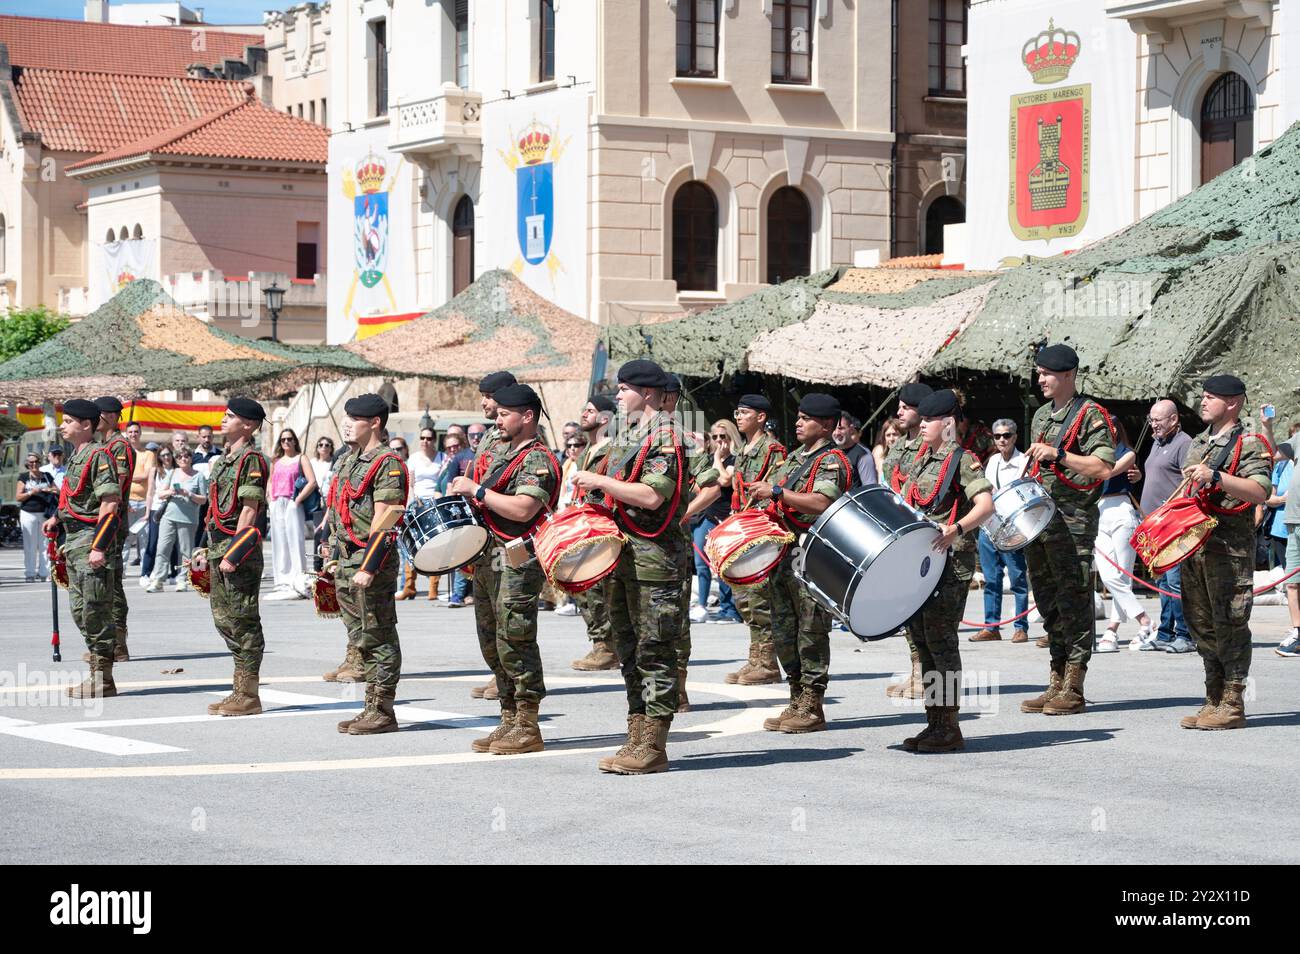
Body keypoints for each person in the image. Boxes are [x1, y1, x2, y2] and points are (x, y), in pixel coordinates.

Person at [572, 360, 688, 774]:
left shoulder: (667, 436)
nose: (617, 396)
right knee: (629, 651)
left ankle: (653, 745)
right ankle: (636, 734)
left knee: (655, 650)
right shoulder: (627, 437)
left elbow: (653, 496)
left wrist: (600, 482)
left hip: (656, 562)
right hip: (624, 558)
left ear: (651, 394)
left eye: (625, 389)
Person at [449, 384, 560, 754]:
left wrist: (477, 491)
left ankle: (527, 724)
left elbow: (523, 509)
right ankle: (508, 717)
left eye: (503, 414)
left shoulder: (536, 458)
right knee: (492, 638)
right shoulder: (504, 454)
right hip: (489, 558)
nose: (497, 420)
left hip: (517, 558)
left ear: (526, 417)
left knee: (516, 637)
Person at [744, 393, 850, 732]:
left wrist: (777, 493)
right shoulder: (793, 458)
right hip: (783, 554)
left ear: (827, 425)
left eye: (807, 418)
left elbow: (820, 502)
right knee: (784, 629)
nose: (799, 422)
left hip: (812, 556)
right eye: (799, 416)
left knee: (811, 630)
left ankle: (813, 705)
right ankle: (795, 696)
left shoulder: (831, 460)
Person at [1020, 344, 1116, 716]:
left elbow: (1103, 467)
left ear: (1068, 375)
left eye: (1047, 374)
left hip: (1073, 525)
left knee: (1075, 604)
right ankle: (1056, 680)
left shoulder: (1091, 415)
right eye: (1039, 373)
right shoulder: (1042, 415)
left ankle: (1074, 687)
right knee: (1048, 601)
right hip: (1040, 524)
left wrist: (1059, 455)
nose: (1041, 380)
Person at [898, 390, 994, 752]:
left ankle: (950, 726)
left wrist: (958, 529)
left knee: (941, 643)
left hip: (948, 566)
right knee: (923, 643)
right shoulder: (924, 459)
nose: (922, 425)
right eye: (921, 419)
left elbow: (986, 504)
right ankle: (933, 722)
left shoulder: (962, 459)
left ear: (948, 423)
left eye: (929, 420)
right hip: (920, 567)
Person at [1172, 376, 1271, 729]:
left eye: (1210, 397)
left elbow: (1259, 491)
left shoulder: (1249, 443)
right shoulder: (1199, 442)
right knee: (1201, 624)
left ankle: (1232, 702)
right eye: (1203, 396)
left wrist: (1215, 476)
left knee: (1230, 623)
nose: (1203, 402)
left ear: (1233, 403)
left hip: (1229, 551)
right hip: (1195, 550)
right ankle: (1212, 697)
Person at [323, 394, 409, 734]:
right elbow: (337, 511)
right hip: (346, 560)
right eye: (346, 417)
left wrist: (369, 567)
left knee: (379, 634)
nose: (346, 423)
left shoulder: (387, 463)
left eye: (354, 418)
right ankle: (369, 707)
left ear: (374, 423)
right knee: (360, 636)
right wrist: (331, 556)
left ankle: (382, 709)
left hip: (368, 562)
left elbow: (385, 521)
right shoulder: (348, 460)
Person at [194, 398, 270, 717]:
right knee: (224, 619)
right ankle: (239, 689)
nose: (223, 420)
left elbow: (249, 510)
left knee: (243, 620)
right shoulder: (224, 461)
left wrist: (234, 553)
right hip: (217, 547)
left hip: (237, 553)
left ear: (248, 425)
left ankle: (249, 694)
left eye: (231, 417)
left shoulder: (251, 460)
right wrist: (204, 548)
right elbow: (213, 510)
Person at [45, 399, 122, 698]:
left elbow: (110, 503)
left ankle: (103, 678)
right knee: (80, 610)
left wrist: (100, 547)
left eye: (68, 421)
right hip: (74, 540)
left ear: (86, 425)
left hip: (91, 540)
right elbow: (72, 496)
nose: (63, 426)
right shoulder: (76, 455)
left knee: (96, 610)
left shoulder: (99, 456)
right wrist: (56, 518)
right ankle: (97, 673)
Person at [663, 373, 723, 712]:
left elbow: (711, 487)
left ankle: (678, 688)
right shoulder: (635, 437)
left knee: (674, 618)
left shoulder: (689, 440)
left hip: (673, 546)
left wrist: (681, 514)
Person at [724, 393, 787, 685]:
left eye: (744, 412)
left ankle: (768, 662)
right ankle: (755, 658)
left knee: (761, 598)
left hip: (759, 531)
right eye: (737, 412)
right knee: (746, 599)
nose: (738, 417)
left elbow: (775, 489)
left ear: (760, 417)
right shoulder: (744, 450)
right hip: (742, 529)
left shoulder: (772, 449)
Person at [462, 371, 517, 698]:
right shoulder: (488, 435)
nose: (483, 402)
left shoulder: (513, 436)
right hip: (484, 536)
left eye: (489, 396)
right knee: (487, 617)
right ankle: (499, 673)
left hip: (505, 538)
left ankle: (509, 680)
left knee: (505, 614)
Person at [881, 382, 934, 699]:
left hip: (929, 538)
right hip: (901, 536)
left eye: (906, 406)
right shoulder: (899, 445)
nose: (899, 411)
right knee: (909, 612)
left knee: (933, 620)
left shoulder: (935, 447)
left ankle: (930, 681)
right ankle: (917, 671)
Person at [1135, 399, 1195, 652]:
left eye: (1158, 419)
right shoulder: (1157, 444)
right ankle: (1165, 633)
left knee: (1175, 581)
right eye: (1151, 419)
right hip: (1152, 525)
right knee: (1161, 582)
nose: (1154, 424)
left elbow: (1189, 484)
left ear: (1173, 420)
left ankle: (1186, 634)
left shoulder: (1184, 444)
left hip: (1172, 525)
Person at [1094, 419, 1155, 652]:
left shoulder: (1127, 453)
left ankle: (1112, 629)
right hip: (1099, 511)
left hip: (1121, 508)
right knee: (1108, 575)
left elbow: (1106, 472)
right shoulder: (1093, 453)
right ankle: (1144, 619)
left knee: (1123, 575)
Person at [570, 394, 621, 672]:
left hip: (604, 527)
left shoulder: (613, 450)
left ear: (605, 419)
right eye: (584, 408)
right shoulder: (587, 452)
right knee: (586, 589)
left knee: (604, 590)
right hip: (585, 525)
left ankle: (607, 647)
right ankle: (600, 644)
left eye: (590, 410)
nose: (584, 414)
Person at [971, 419, 1030, 643]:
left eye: (1006, 435)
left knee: (1017, 579)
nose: (1002, 440)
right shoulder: (992, 460)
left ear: (1015, 437)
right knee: (991, 578)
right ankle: (991, 626)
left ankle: (1020, 626)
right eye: (997, 436)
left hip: (1014, 526)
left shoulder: (1023, 460)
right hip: (990, 525)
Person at [688, 419, 743, 625]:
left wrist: (718, 458)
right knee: (701, 564)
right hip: (706, 516)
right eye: (715, 437)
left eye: (723, 436)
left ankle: (729, 609)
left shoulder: (734, 460)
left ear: (731, 438)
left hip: (725, 517)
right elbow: (697, 486)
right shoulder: (709, 459)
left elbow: (724, 480)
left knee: (723, 565)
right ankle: (701, 606)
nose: (719, 440)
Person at [94, 397, 135, 662]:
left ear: (109, 416)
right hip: (104, 520)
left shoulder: (119, 446)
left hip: (113, 522)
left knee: (113, 580)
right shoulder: (104, 445)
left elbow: (116, 486)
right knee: (106, 580)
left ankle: (118, 642)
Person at [146, 447, 207, 592]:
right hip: (168, 516)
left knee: (185, 551)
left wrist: (189, 494)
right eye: (179, 457)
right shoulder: (173, 472)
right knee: (162, 548)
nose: (183, 459)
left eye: (186, 456)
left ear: (191, 458)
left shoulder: (199, 476)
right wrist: (170, 491)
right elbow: (160, 493)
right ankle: (158, 580)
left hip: (188, 519)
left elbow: (204, 499)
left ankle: (183, 580)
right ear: (176, 459)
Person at [266, 429, 315, 600]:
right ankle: (282, 581)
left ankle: (298, 579)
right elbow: (270, 481)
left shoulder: (301, 458)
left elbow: (312, 481)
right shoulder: (276, 461)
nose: (286, 442)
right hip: (277, 502)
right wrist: (270, 500)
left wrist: (297, 501)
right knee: (279, 543)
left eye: (289, 439)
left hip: (293, 502)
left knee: (295, 541)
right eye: (283, 439)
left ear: (295, 441)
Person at [404, 427, 442, 600]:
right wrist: (413, 501)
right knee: (413, 543)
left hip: (434, 502)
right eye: (422, 438)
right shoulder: (413, 458)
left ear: (434, 440)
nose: (425, 441)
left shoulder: (442, 457)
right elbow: (410, 484)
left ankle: (433, 587)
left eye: (428, 438)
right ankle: (409, 586)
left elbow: (441, 481)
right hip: (417, 502)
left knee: (435, 544)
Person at [140, 447, 177, 586]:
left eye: (168, 454)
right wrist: (147, 512)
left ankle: (173, 573)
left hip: (173, 509)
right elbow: (150, 492)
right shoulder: (155, 471)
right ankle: (146, 573)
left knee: (172, 542)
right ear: (159, 457)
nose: (166, 457)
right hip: (157, 508)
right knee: (153, 542)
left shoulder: (177, 470)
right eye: (163, 455)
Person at [17, 452, 56, 582]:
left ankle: (45, 573)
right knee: (30, 545)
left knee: (45, 544)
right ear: (27, 464)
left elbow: (58, 490)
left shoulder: (47, 476)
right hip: (28, 513)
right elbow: (18, 497)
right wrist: (31, 492)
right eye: (31, 462)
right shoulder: (23, 477)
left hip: (44, 513)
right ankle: (30, 573)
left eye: (36, 462)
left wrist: (48, 490)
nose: (34, 464)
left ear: (40, 462)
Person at [1277, 442, 1300, 656]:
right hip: (1293, 522)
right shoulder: (1298, 438)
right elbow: (1273, 453)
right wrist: (1268, 426)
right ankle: (1298, 634)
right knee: (1291, 584)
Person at [125, 422, 153, 566]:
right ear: (127, 434)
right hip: (127, 501)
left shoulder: (148, 454)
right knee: (127, 537)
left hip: (143, 501)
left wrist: (128, 477)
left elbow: (146, 476)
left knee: (144, 537)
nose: (133, 434)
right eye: (130, 432)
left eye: (136, 431)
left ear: (140, 433)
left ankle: (144, 568)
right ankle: (122, 570)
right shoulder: (123, 453)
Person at [309, 436, 336, 573]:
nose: (324, 447)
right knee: (318, 533)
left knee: (324, 533)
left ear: (331, 448)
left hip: (328, 501)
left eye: (327, 445)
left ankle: (325, 565)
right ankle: (317, 566)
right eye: (321, 444)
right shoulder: (312, 462)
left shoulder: (333, 463)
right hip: (316, 501)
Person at [1266, 444, 1293, 570]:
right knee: (1290, 578)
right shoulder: (1281, 466)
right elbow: (1268, 499)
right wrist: (1284, 499)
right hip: (1281, 530)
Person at [834, 411, 878, 486]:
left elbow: (870, 488)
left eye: (841, 428)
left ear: (851, 429)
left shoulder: (863, 455)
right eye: (833, 429)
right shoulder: (829, 452)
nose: (836, 433)